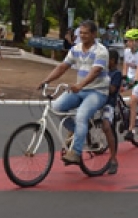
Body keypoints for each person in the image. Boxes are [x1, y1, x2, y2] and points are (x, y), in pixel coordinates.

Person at [38, 20, 110, 165]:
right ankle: (79, 132)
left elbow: (95, 71)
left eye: (86, 33)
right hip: (80, 89)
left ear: (94, 34)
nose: (82, 36)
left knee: (81, 115)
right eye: (80, 33)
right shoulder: (75, 49)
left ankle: (76, 153)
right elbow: (63, 67)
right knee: (56, 106)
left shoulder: (101, 51)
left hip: (97, 92)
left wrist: (80, 85)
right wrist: (46, 81)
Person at [99, 49, 122, 175]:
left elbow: (112, 90)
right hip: (97, 101)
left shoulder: (116, 74)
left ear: (112, 61)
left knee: (107, 127)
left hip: (108, 104)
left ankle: (113, 159)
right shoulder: (103, 71)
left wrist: (99, 83)